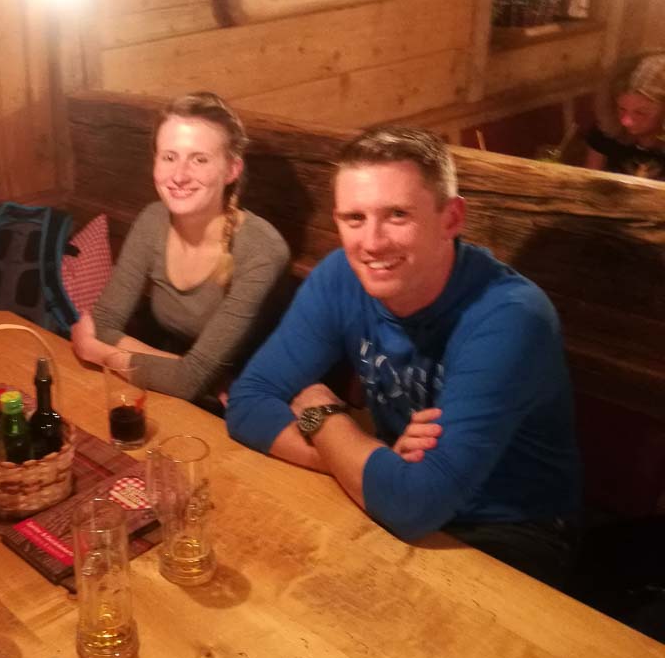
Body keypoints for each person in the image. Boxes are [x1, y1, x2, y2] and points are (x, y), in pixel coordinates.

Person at [226, 127, 581, 589]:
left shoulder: (510, 315)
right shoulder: (340, 277)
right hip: (389, 494)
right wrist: (366, 462)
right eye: (354, 218)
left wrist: (322, 413)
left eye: (397, 215)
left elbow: (416, 503)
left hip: (511, 532)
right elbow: (247, 403)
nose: (372, 243)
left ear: (451, 218)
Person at [71, 91, 290, 404]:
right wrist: (186, 372)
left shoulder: (261, 249)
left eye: (199, 159)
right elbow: (104, 323)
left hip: (261, 403)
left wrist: (100, 353)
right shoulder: (153, 220)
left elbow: (189, 380)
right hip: (194, 396)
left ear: (232, 170)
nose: (179, 176)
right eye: (169, 157)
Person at [583, 53, 665, 180]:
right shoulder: (607, 133)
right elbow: (588, 180)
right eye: (621, 109)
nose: (626, 121)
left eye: (640, 113)